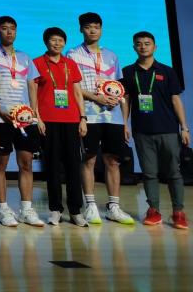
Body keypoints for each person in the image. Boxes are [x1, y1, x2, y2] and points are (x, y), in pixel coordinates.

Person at [66, 12, 135, 225]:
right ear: (81, 30)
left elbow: (121, 90)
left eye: (96, 27)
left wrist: (124, 122)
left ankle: (114, 207)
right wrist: (97, 98)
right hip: (89, 116)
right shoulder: (73, 54)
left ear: (101, 29)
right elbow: (73, 87)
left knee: (113, 161)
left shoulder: (112, 56)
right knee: (89, 160)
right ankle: (91, 206)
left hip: (113, 117)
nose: (92, 30)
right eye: (88, 27)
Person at [122, 31, 189, 229]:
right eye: (139, 43)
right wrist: (124, 124)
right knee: (149, 173)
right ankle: (153, 210)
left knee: (174, 172)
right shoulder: (128, 71)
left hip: (168, 129)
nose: (143, 46)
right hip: (142, 131)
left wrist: (184, 127)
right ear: (134, 47)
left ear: (155, 47)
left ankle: (178, 212)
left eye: (147, 43)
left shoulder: (167, 71)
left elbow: (176, 100)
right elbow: (126, 100)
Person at [0, 15, 43, 227]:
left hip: (26, 120)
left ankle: (26, 209)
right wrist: (1, 112)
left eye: (12, 29)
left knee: (26, 163)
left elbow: (32, 86)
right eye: (4, 28)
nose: (9, 32)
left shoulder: (25, 57)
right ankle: (4, 210)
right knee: (1, 164)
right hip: (1, 120)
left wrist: (34, 113)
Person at [31, 26, 87, 226]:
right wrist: (37, 118)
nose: (57, 43)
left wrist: (83, 117)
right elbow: (33, 92)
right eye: (53, 40)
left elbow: (77, 92)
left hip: (71, 120)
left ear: (65, 43)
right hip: (48, 121)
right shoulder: (37, 63)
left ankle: (76, 211)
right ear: (46, 42)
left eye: (60, 40)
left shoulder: (70, 64)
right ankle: (55, 209)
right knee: (52, 167)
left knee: (73, 167)